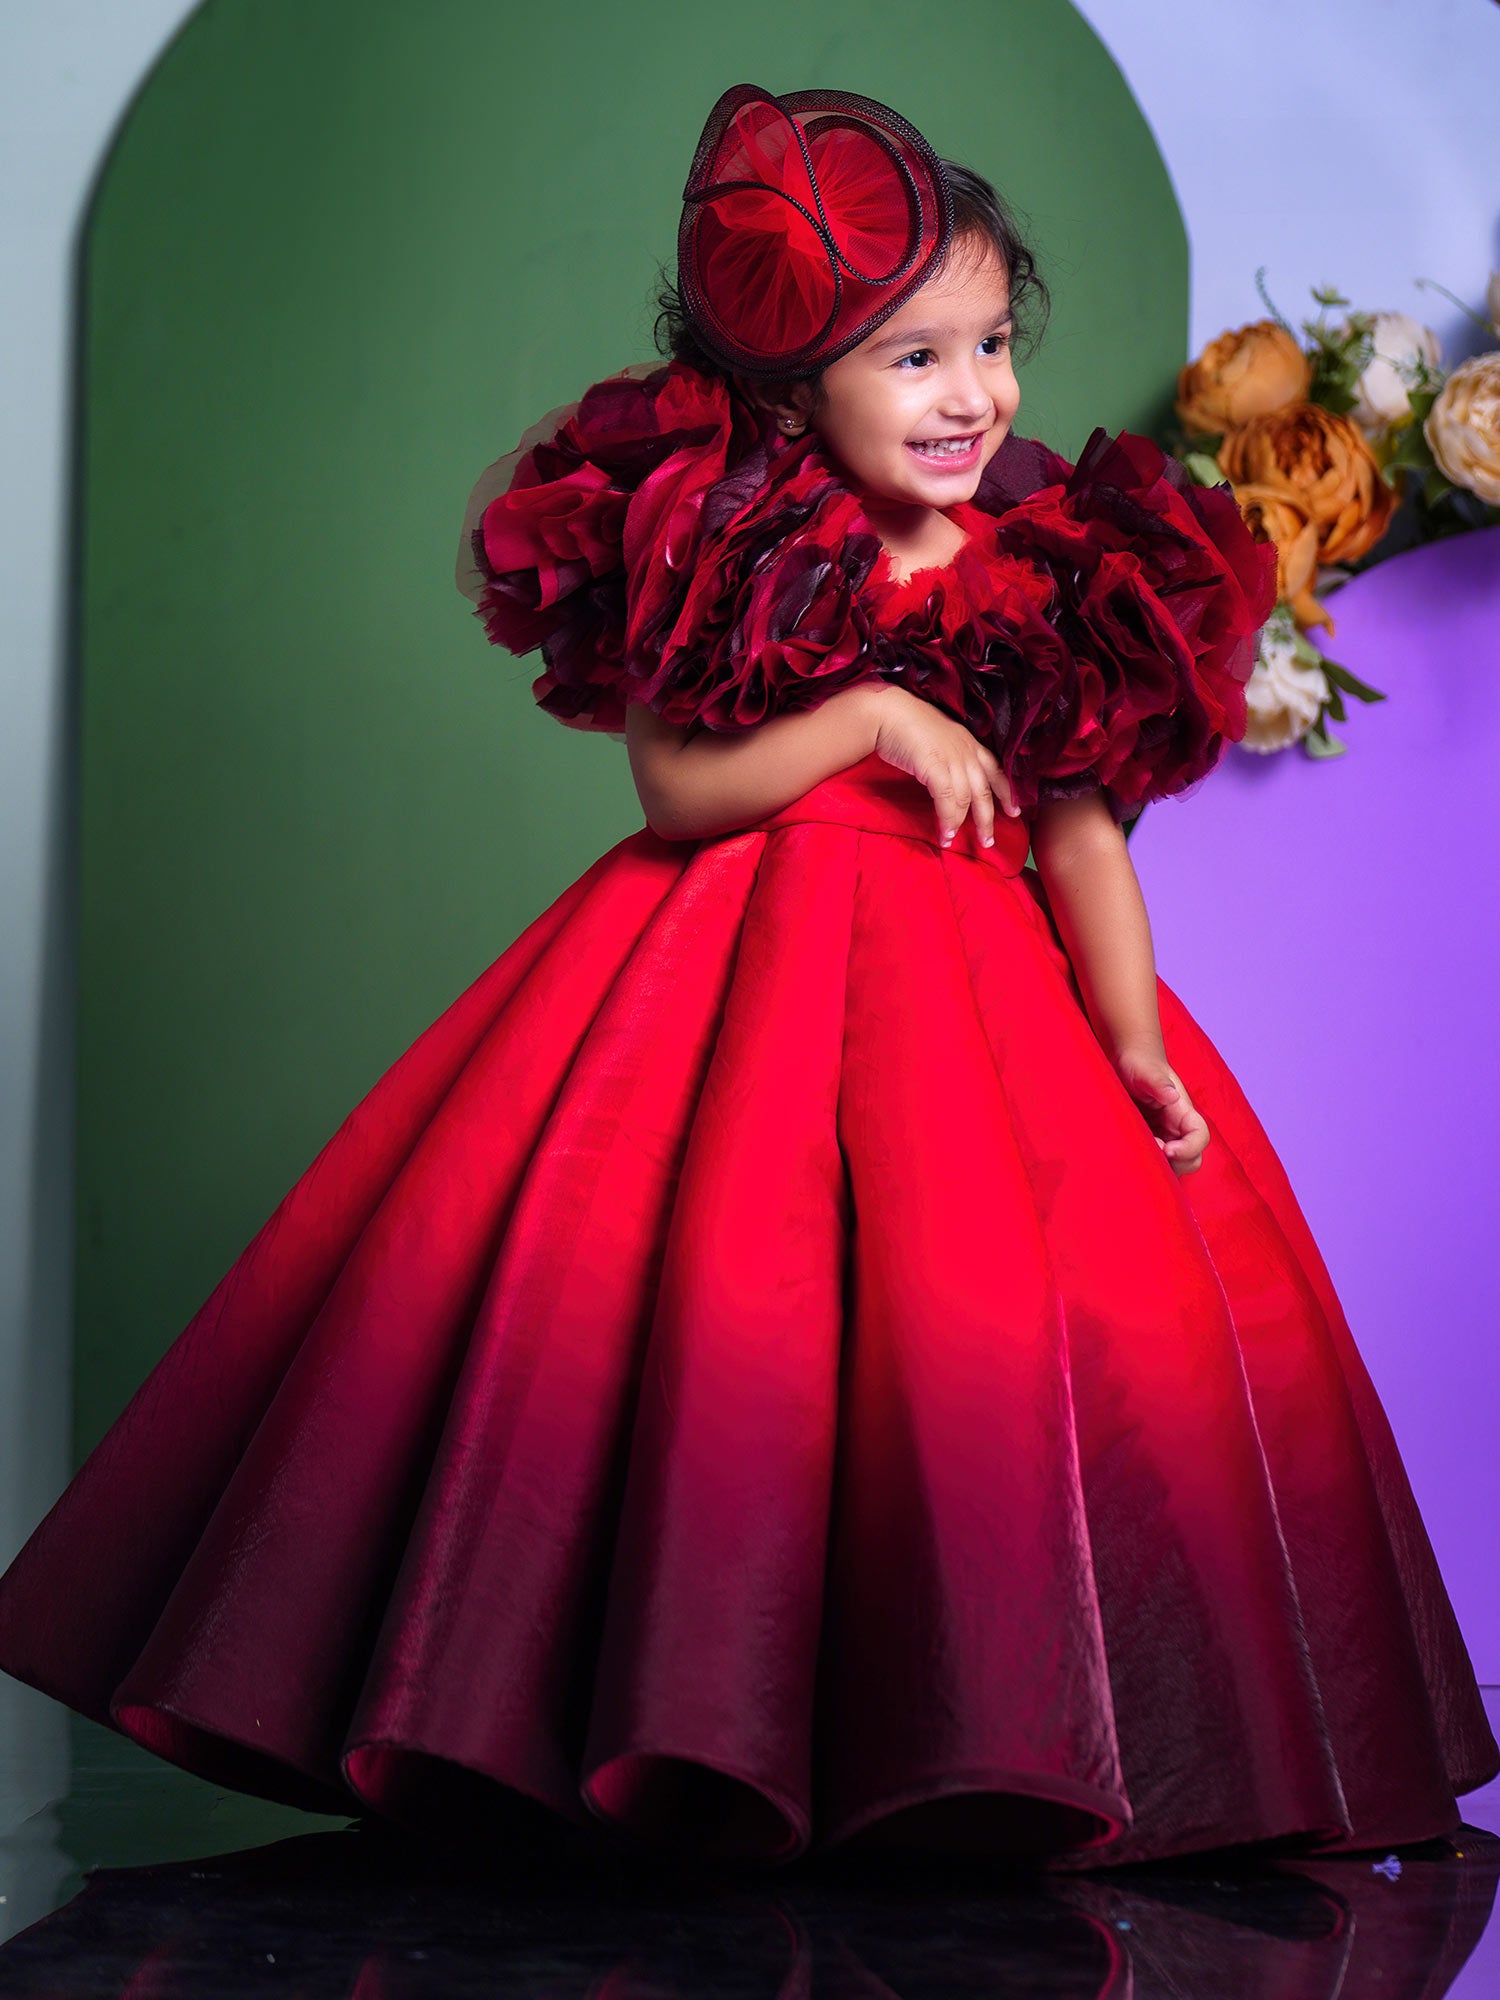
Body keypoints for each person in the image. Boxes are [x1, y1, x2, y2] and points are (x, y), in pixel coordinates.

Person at [0, 83, 1493, 1873]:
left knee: (992, 1357)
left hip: (991, 1012)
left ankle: (983, 1740)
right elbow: (681, 789)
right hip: (733, 994)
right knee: (729, 1338)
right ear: (794, 390)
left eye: (995, 343)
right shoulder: (732, 541)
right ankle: (683, 1727)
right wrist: (868, 712)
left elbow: (1084, 829)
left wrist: (1126, 1037)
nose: (975, 395)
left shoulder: (1057, 567)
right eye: (917, 359)